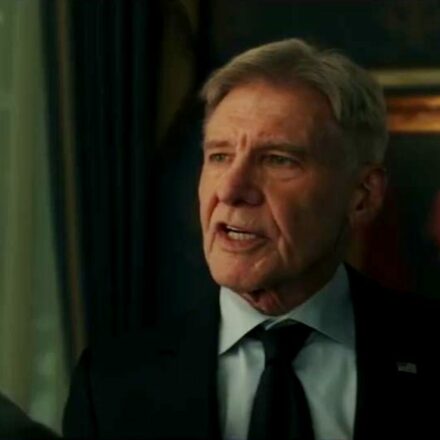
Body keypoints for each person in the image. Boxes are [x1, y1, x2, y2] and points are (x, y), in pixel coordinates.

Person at [63, 39, 440, 440]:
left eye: (277, 159)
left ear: (362, 195)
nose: (230, 189)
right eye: (219, 156)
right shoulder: (111, 385)